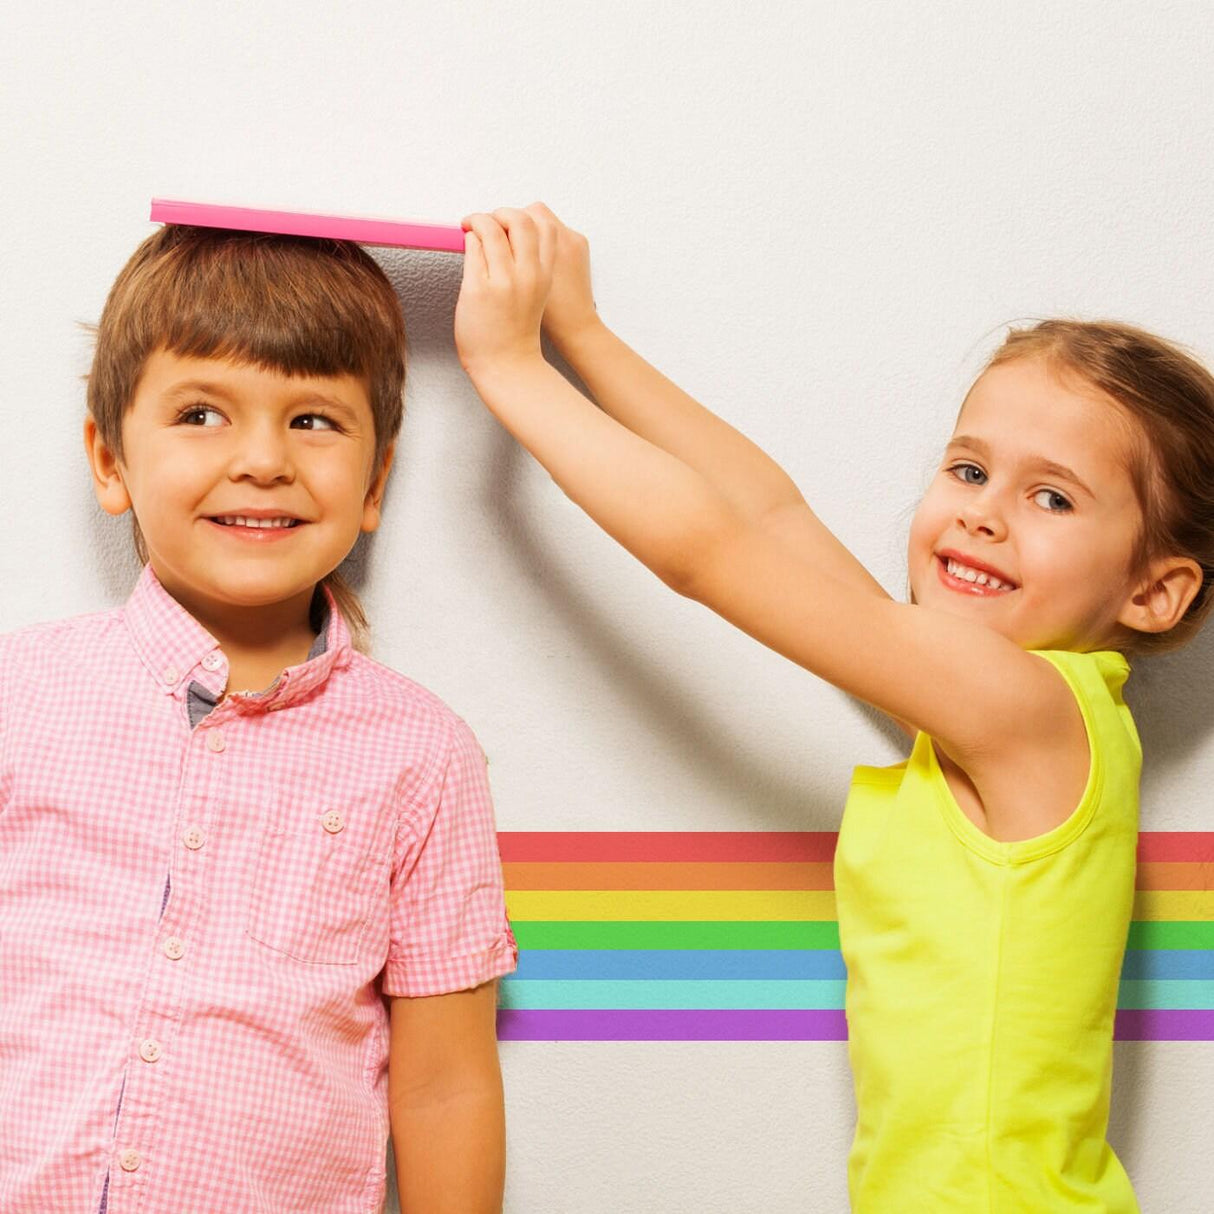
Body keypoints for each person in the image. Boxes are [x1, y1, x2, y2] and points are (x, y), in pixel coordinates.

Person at [452, 203, 1214, 1212]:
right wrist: (585, 337)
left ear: (1151, 592)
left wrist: (513, 372)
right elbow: (768, 514)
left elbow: (711, 553)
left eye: (1052, 497)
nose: (981, 510)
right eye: (969, 467)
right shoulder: (996, 709)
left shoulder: (1024, 706)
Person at [0, 224, 517, 1214]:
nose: (263, 459)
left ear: (374, 482)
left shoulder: (422, 755)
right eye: (201, 412)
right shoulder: (18, 693)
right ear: (109, 460)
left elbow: (446, 1082)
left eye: (314, 420)